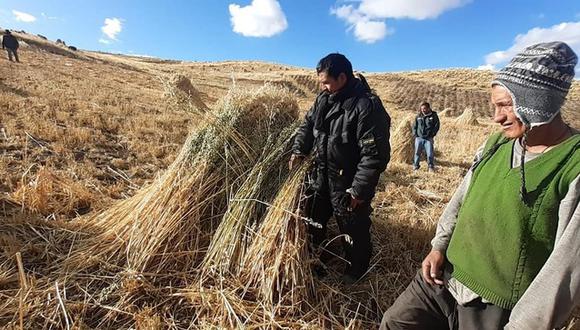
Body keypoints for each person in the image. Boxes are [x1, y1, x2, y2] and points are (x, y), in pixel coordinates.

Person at [381, 41, 580, 330]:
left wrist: (525, 325)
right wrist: (439, 246)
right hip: (442, 279)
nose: (497, 117)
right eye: (494, 106)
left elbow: (566, 270)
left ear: (537, 101)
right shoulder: (495, 144)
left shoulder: (572, 165)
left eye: (504, 105)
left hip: (493, 306)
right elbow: (461, 199)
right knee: (395, 323)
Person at [290, 53, 391, 284]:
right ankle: (316, 259)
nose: (323, 87)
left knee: (353, 227)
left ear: (342, 77)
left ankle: (355, 271)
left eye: (327, 82)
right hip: (321, 175)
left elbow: (374, 155)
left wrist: (359, 190)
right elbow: (307, 125)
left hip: (348, 182)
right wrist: (299, 150)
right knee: (313, 219)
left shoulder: (366, 106)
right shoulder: (323, 99)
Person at [412, 102, 439, 171]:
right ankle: (416, 166)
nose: (423, 110)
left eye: (424, 109)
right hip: (419, 138)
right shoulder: (418, 116)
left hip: (428, 139)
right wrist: (415, 134)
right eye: (421, 109)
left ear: (428, 108)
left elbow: (436, 126)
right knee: (417, 153)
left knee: (430, 153)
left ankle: (430, 167)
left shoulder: (433, 116)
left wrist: (432, 134)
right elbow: (414, 126)